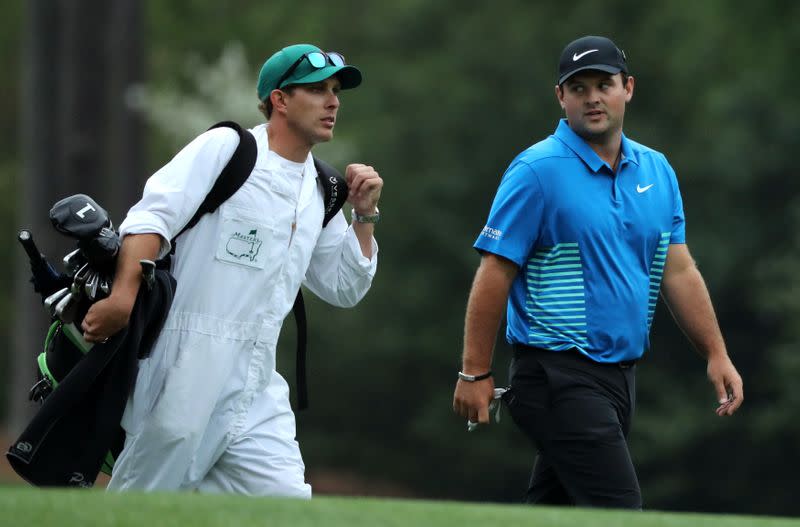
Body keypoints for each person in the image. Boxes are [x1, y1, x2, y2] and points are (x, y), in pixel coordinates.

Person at [452, 35, 743, 509]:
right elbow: (494, 272)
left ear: (627, 88)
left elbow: (679, 271)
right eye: (579, 87)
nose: (592, 97)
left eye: (603, 84)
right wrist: (473, 371)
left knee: (557, 512)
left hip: (618, 378)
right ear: (560, 97)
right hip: (554, 373)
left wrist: (716, 353)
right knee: (618, 510)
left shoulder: (658, 169)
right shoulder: (536, 170)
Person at [80, 43, 383, 497]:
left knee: (285, 504)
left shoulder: (324, 187)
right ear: (280, 100)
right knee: (141, 506)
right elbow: (149, 220)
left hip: (258, 382)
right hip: (183, 368)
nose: (333, 101)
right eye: (317, 89)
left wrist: (364, 216)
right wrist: (122, 299)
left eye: (336, 90)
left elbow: (343, 286)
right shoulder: (228, 149)